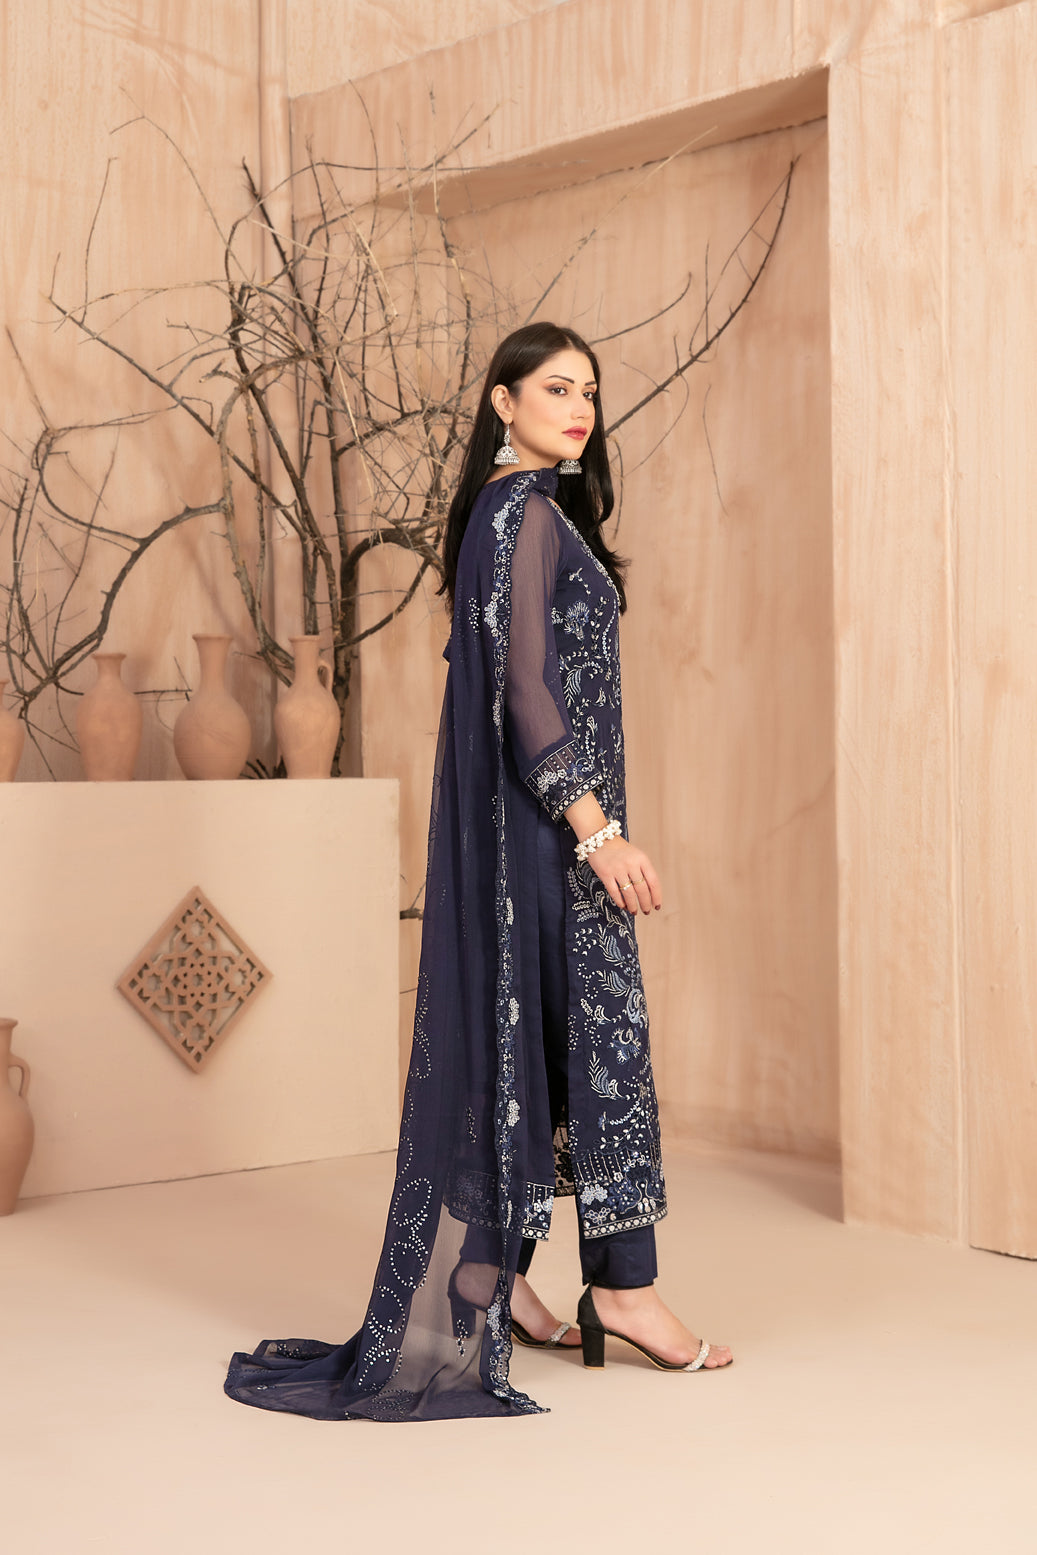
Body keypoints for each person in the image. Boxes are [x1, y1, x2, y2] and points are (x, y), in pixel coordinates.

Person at [224, 322, 732, 1423]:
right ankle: (623, 1290)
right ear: (502, 401)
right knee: (588, 1044)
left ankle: (489, 1275)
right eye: (555, 388)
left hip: (537, 829)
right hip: (548, 831)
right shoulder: (520, 513)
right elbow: (525, 692)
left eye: (588, 390)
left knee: (540, 1047)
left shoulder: (522, 511)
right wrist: (597, 833)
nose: (579, 407)